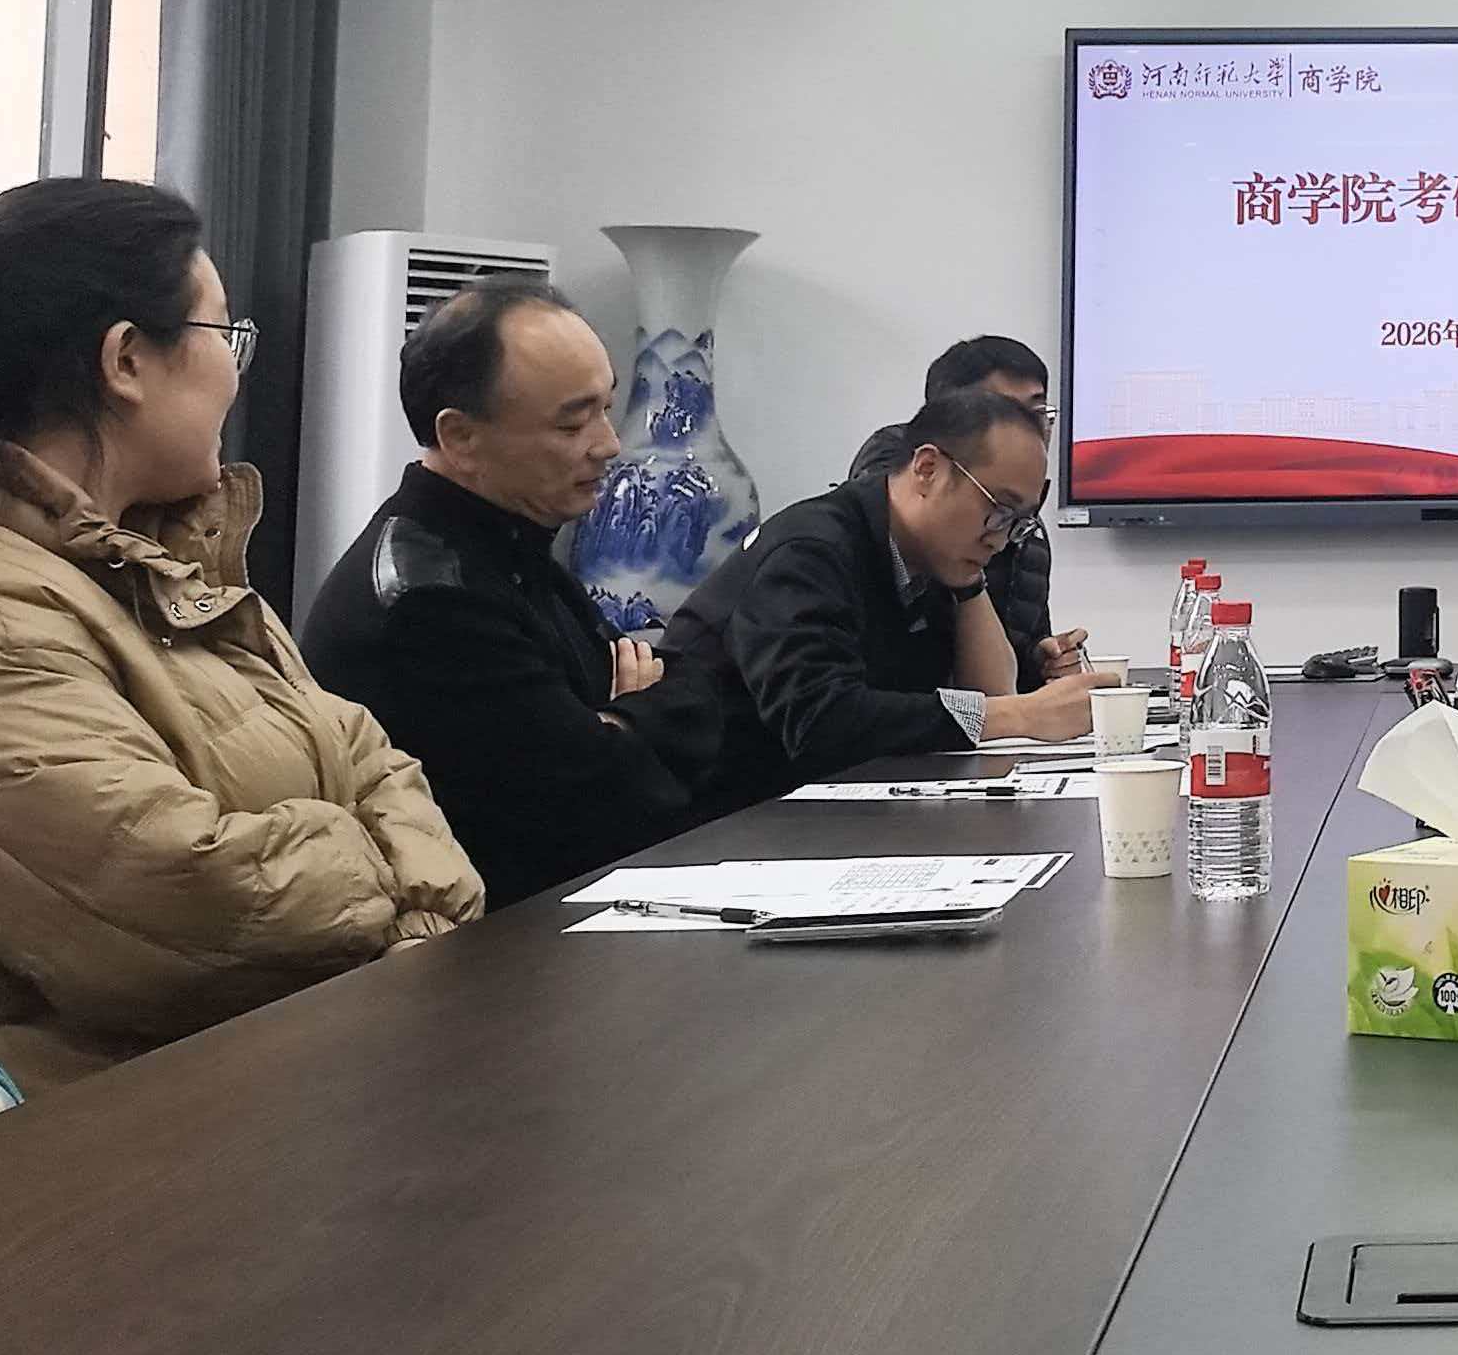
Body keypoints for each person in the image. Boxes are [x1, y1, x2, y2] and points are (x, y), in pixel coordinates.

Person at [0, 179, 484, 1092]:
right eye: (224, 334)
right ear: (125, 361)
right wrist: (397, 887)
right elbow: (193, 911)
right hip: (95, 1143)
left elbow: (360, 750)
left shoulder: (137, 561)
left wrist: (400, 913)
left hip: (266, 1077)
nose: (236, 371)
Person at [301, 278, 734, 902]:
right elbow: (605, 807)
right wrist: (631, 725)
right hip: (492, 936)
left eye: (606, 408)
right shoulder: (429, 600)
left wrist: (624, 723)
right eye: (572, 423)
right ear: (461, 438)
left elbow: (693, 695)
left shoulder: (509, 541)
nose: (609, 445)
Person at [663, 382, 1095, 785]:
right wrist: (1020, 715)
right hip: (719, 813)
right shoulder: (810, 551)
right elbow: (819, 721)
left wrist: (971, 587)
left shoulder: (928, 555)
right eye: (998, 511)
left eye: (1018, 524)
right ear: (927, 469)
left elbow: (985, 694)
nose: (999, 541)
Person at [846, 333, 1084, 684]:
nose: (1029, 430)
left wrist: (1038, 659)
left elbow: (1006, 667)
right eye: (1006, 411)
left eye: (1038, 413)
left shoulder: (1027, 530)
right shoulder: (890, 502)